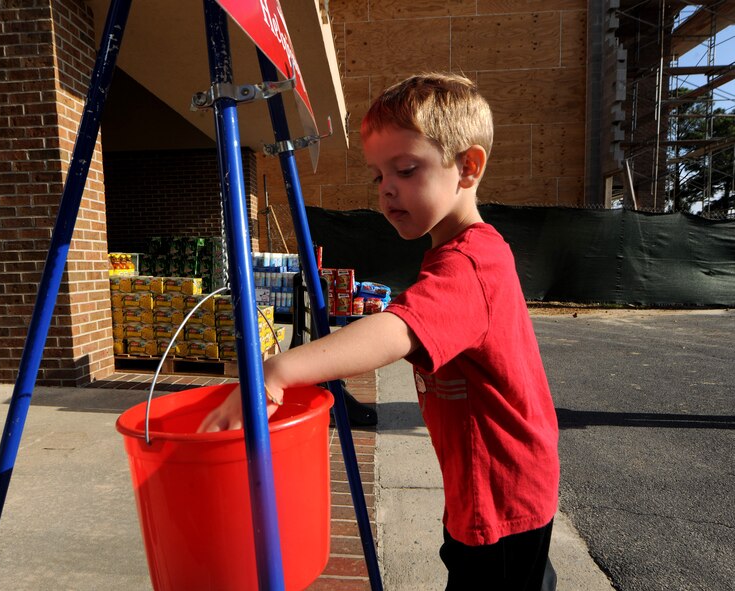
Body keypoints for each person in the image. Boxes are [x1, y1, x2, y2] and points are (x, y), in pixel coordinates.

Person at [199, 72, 560, 591]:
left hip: (501, 496)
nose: (387, 188)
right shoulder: (459, 253)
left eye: (406, 169)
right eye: (378, 175)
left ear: (468, 167)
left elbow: (395, 332)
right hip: (491, 487)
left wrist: (278, 369)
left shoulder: (470, 264)